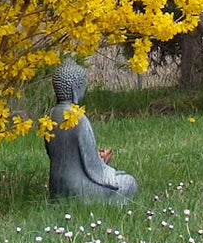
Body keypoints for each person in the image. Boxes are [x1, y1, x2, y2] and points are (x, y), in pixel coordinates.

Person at [45, 60, 138, 202]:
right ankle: (104, 204)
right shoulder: (77, 119)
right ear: (75, 89)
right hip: (79, 190)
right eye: (82, 86)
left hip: (57, 189)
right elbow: (93, 168)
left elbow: (53, 154)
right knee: (129, 182)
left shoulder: (50, 116)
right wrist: (106, 166)